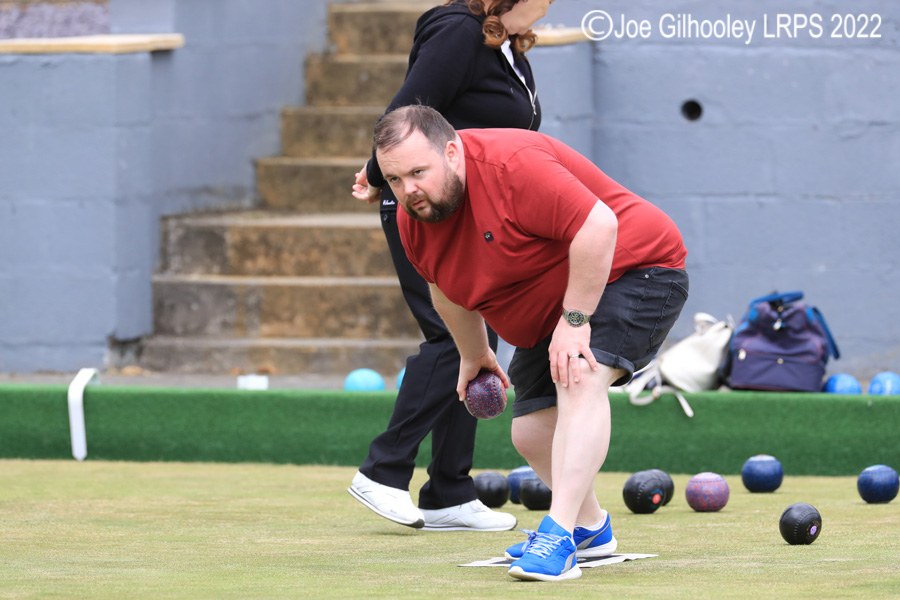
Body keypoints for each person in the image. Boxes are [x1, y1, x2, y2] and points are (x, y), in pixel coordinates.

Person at [372, 105, 689, 581]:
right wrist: (474, 354)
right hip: (550, 307)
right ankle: (590, 530)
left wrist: (576, 320)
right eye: (395, 179)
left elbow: (599, 226)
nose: (408, 190)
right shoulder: (413, 217)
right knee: (531, 432)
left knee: (580, 377)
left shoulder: (512, 164)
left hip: (634, 269)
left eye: (418, 172)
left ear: (452, 153)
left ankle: (558, 536)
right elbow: (443, 288)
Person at [348, 0, 554, 532]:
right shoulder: (458, 31)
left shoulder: (505, 49)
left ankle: (448, 491)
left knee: (477, 339)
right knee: (450, 336)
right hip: (425, 208)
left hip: (471, 216)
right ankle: (383, 472)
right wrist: (378, 175)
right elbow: (407, 111)